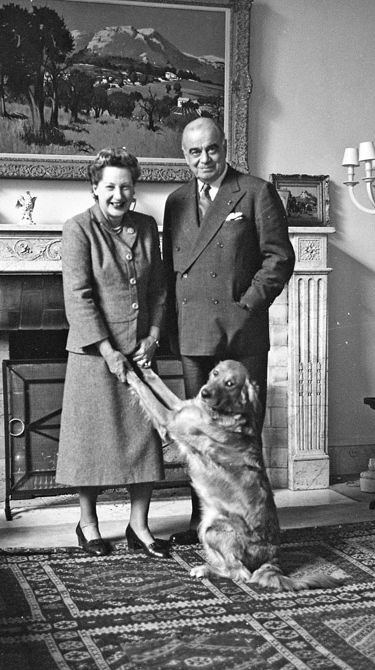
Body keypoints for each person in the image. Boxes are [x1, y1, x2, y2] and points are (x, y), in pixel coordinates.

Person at [162, 117, 296, 545]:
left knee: (243, 436)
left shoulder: (256, 192)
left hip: (241, 336)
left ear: (225, 147)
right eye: (194, 152)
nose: (204, 159)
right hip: (192, 334)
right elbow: (170, 271)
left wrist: (248, 306)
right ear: (184, 155)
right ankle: (203, 519)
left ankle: (256, 524)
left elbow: (279, 258)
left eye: (212, 149)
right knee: (197, 433)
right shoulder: (176, 200)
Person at [56, 147, 170, 559]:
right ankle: (88, 525)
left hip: (140, 353)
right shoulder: (77, 229)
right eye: (109, 186)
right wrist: (107, 351)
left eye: (125, 186)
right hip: (94, 355)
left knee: (144, 440)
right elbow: (79, 296)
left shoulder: (145, 225)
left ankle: (139, 525)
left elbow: (159, 288)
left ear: (134, 190)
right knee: (90, 443)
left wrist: (154, 336)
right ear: (94, 189)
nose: (118, 194)